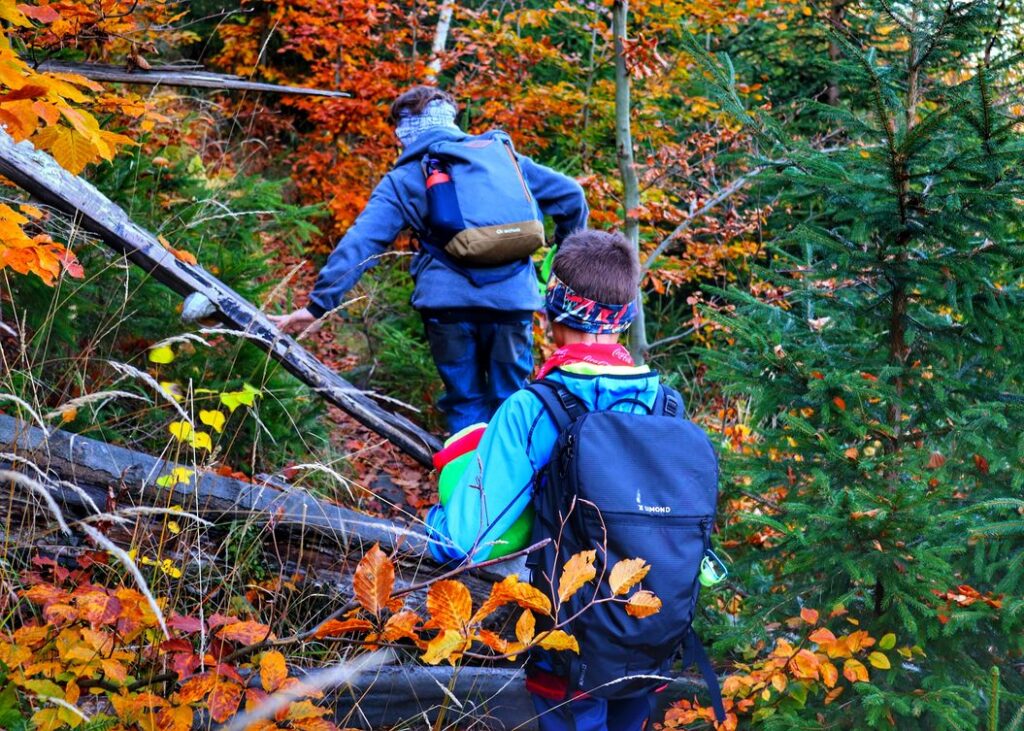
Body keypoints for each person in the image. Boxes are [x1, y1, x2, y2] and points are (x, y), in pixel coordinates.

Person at [425, 229, 722, 731]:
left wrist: (438, 518)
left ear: (550, 311)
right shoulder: (667, 406)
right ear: (625, 319)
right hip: (651, 634)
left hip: (567, 642)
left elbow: (468, 539)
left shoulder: (532, 409)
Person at [269, 86, 588, 434]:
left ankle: (467, 483)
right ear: (450, 121)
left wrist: (318, 305)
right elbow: (572, 195)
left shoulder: (404, 179)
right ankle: (515, 484)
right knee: (511, 400)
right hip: (512, 302)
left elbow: (361, 243)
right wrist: (563, 261)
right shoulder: (502, 157)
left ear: (403, 132)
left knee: (465, 401)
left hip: (446, 305)